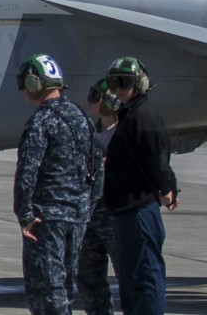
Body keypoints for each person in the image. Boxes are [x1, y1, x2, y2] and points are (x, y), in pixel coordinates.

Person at [14, 54, 100, 315]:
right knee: (65, 287)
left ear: (33, 84)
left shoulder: (40, 121)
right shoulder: (82, 119)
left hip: (46, 220)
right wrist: (86, 209)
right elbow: (98, 171)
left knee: (46, 291)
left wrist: (24, 214)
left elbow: (27, 171)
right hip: (77, 217)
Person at [100, 57, 178, 315]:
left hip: (139, 211)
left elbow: (157, 159)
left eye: (124, 82)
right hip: (126, 211)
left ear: (140, 84)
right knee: (131, 278)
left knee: (146, 277)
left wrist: (167, 189)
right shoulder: (132, 114)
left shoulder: (143, 116)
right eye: (113, 83)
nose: (118, 89)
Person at [76, 79, 122, 315]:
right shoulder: (91, 132)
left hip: (115, 214)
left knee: (126, 274)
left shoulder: (124, 133)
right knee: (88, 277)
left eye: (96, 95)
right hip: (90, 214)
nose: (91, 100)